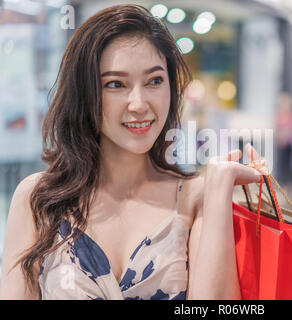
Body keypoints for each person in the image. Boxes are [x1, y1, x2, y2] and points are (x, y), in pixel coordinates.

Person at [0, 4, 265, 300]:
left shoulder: (193, 197)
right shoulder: (38, 199)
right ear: (85, 93)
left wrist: (218, 191)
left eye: (154, 81)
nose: (139, 104)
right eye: (115, 84)